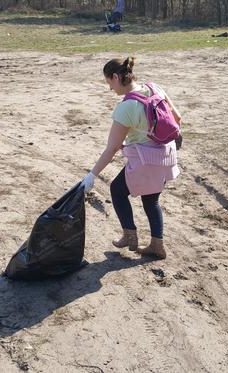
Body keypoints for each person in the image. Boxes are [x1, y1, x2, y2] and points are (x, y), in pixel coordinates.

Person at [81, 57, 182, 259]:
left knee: (117, 191)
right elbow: (177, 118)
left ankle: (130, 235)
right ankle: (157, 245)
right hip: (167, 154)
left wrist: (91, 175)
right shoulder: (155, 88)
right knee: (151, 200)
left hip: (146, 159)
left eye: (109, 83)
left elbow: (112, 148)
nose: (110, 88)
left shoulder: (126, 108)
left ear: (116, 77)